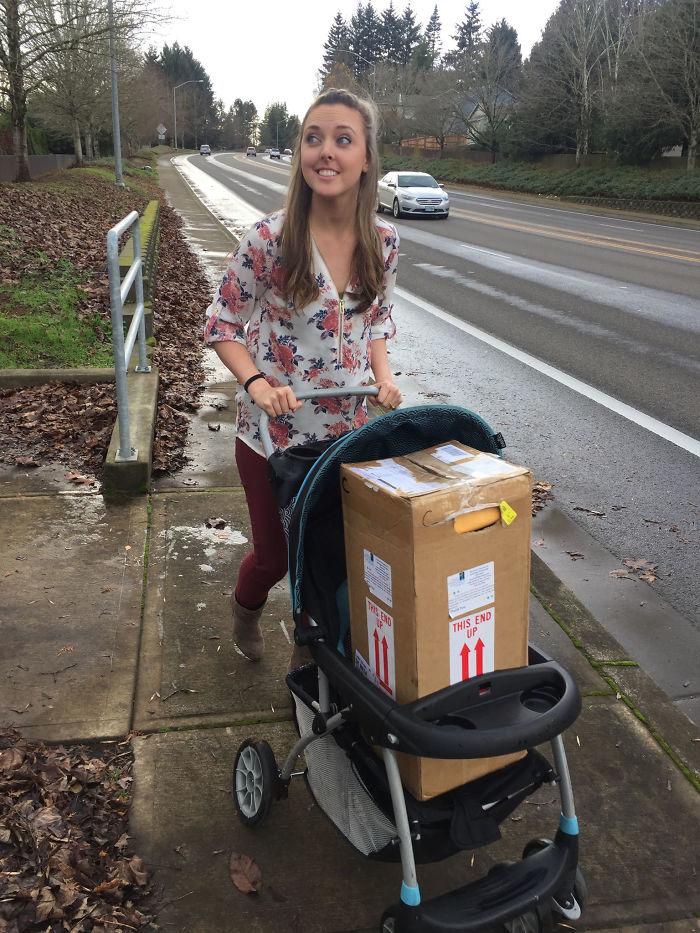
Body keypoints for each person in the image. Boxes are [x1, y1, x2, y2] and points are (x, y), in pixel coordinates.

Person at [203, 87, 402, 662]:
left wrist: (383, 377)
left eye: (343, 140)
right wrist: (258, 385)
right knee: (274, 556)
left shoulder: (383, 242)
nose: (326, 152)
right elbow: (222, 323)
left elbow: (378, 320)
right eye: (313, 138)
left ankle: (311, 654)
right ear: (299, 154)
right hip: (273, 435)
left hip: (347, 430)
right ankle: (245, 609)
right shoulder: (270, 239)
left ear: (366, 158)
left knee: (331, 553)